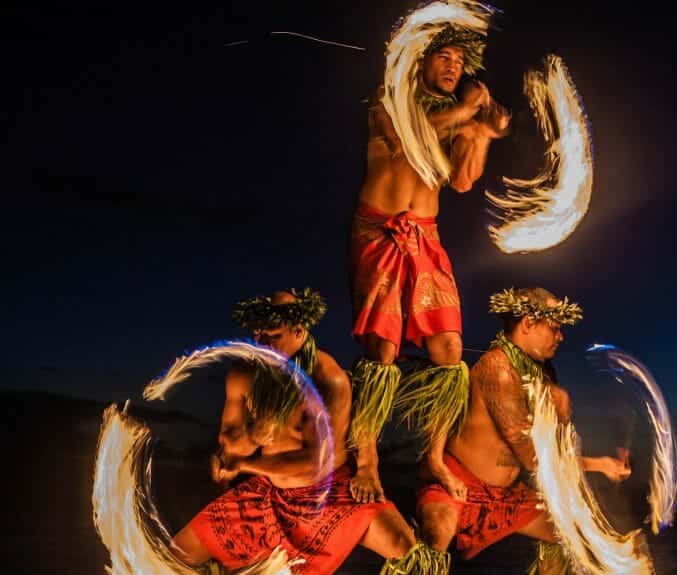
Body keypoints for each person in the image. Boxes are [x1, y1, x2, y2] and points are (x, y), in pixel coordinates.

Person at [347, 22, 511, 505]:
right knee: (382, 351)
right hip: (380, 233)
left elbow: (461, 181)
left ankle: (434, 456)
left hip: (428, 240)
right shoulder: (390, 99)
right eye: (445, 58)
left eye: (460, 62)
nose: (453, 67)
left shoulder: (454, 118)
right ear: (420, 60)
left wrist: (482, 134)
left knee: (449, 350)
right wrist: (468, 112)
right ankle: (368, 460)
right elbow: (408, 138)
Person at [169, 289, 437, 575]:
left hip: (330, 494)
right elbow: (231, 448)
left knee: (411, 555)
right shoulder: (244, 374)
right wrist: (254, 437)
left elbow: (314, 466)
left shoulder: (328, 379)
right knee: (175, 555)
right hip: (270, 491)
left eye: (274, 336)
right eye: (258, 335)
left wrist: (244, 463)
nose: (262, 344)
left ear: (299, 331)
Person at [416, 287, 631, 573]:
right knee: (438, 528)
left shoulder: (539, 374)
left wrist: (560, 410)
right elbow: (532, 459)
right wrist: (599, 464)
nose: (561, 336)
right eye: (554, 328)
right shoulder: (498, 370)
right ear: (528, 324)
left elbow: (552, 446)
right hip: (457, 485)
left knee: (564, 531)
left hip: (505, 495)